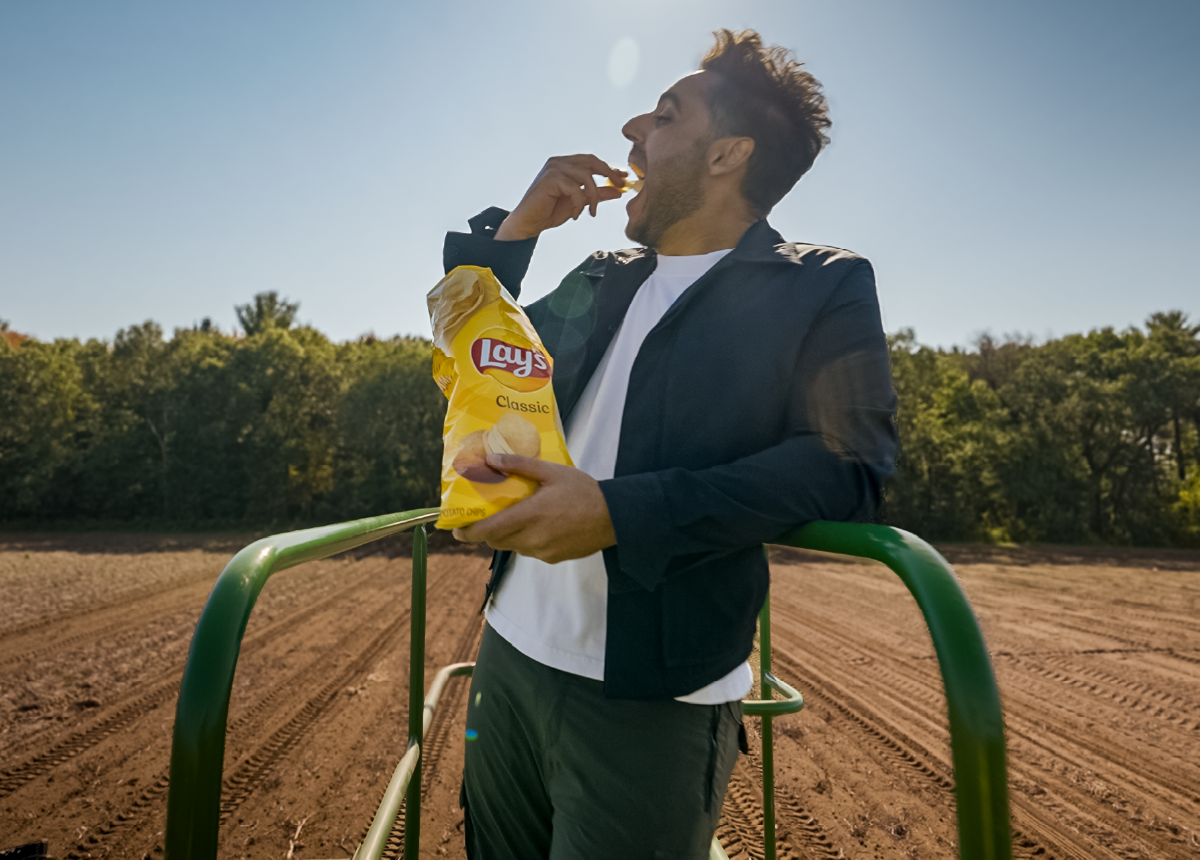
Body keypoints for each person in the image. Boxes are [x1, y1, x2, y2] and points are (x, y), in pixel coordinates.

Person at [442, 28, 898, 860]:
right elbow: (472, 369)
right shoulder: (598, 273)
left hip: (654, 700)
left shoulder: (823, 285)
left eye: (662, 115)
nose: (629, 134)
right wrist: (513, 236)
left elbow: (849, 465)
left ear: (728, 153)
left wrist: (619, 513)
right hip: (506, 652)